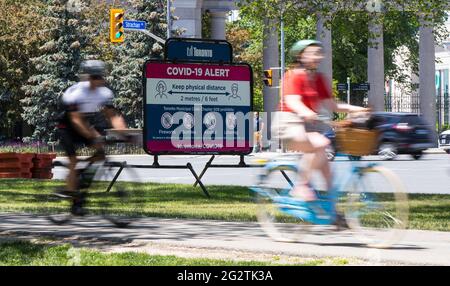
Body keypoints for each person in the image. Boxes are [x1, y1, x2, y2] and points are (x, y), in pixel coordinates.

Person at [273, 40, 367, 210]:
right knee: (320, 143)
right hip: (288, 122)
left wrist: (357, 109)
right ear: (301, 55)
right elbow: (292, 101)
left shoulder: (319, 79)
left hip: (307, 126)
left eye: (319, 53)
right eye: (313, 53)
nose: (318, 56)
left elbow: (333, 106)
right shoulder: (292, 75)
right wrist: (306, 111)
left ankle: (332, 213)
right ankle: (300, 186)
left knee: (328, 174)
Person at [57, 60, 127, 201]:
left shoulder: (104, 93)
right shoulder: (76, 93)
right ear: (87, 78)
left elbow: (112, 115)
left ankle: (80, 175)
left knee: (100, 154)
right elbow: (76, 120)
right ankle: (71, 194)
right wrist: (93, 136)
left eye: (100, 77)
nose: (99, 80)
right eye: (95, 77)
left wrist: (124, 133)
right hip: (67, 125)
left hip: (84, 122)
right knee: (73, 160)